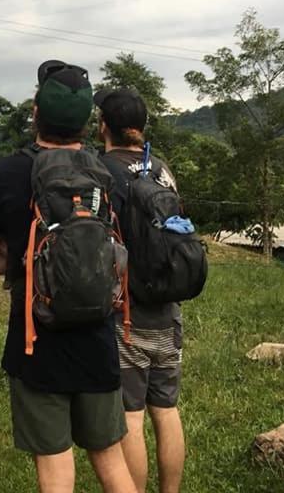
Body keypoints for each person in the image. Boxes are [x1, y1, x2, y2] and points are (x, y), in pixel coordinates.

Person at [0, 60, 137, 493]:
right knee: (110, 458)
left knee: (55, 464)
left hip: (35, 340)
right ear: (89, 122)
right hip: (98, 337)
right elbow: (118, 251)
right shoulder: (110, 175)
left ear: (35, 112)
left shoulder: (5, 174)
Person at [95, 87, 186, 493]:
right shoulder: (163, 169)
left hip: (127, 314)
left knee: (130, 416)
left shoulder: (102, 169)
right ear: (142, 127)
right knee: (166, 410)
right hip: (169, 307)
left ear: (103, 127)